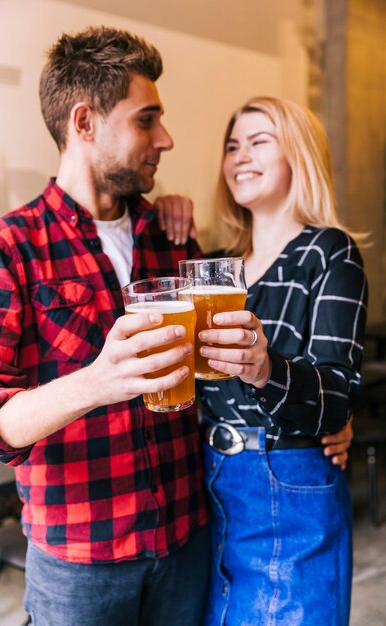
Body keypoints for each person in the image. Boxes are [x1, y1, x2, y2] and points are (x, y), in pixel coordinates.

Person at [0, 27, 210, 626]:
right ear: (84, 123)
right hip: (80, 561)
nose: (167, 139)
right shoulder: (8, 246)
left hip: (188, 537)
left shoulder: (171, 234)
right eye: (146, 120)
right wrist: (98, 382)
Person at [154, 96, 367, 625]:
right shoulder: (213, 268)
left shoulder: (330, 252)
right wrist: (163, 209)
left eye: (258, 141)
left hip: (290, 480)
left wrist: (266, 370)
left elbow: (337, 395)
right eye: (231, 146)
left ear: (298, 153)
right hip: (210, 479)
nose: (239, 157)